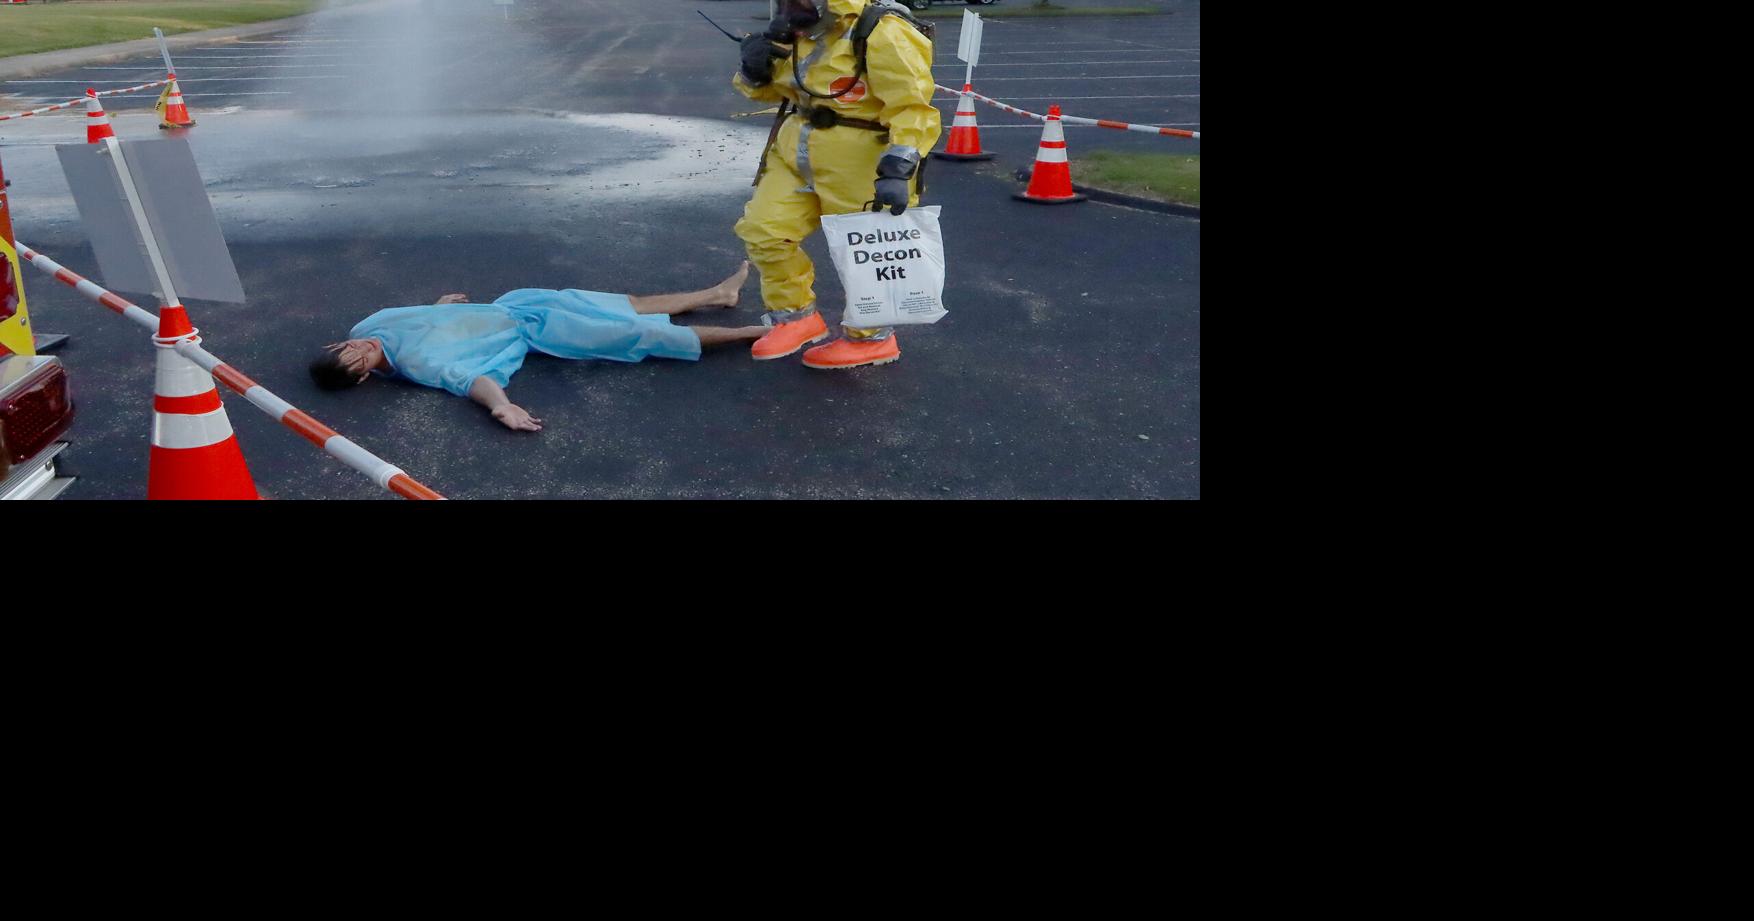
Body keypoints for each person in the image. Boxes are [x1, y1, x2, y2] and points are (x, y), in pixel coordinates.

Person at [733, 0, 940, 370]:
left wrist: (899, 166)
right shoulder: (801, 31)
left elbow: (912, 106)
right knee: (765, 231)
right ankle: (796, 318)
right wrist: (753, 68)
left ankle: (872, 338)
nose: (788, 7)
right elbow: (775, 89)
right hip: (795, 153)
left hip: (861, 161)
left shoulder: (880, 29)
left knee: (865, 251)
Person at [309, 263, 763, 432]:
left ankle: (717, 295)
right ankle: (750, 333)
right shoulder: (418, 364)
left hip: (519, 303)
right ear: (365, 376)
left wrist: (439, 307)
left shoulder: (368, 325)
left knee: (626, 304)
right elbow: (471, 380)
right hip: (538, 332)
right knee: (642, 335)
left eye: (351, 345)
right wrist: (501, 406)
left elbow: (417, 318)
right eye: (361, 357)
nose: (364, 345)